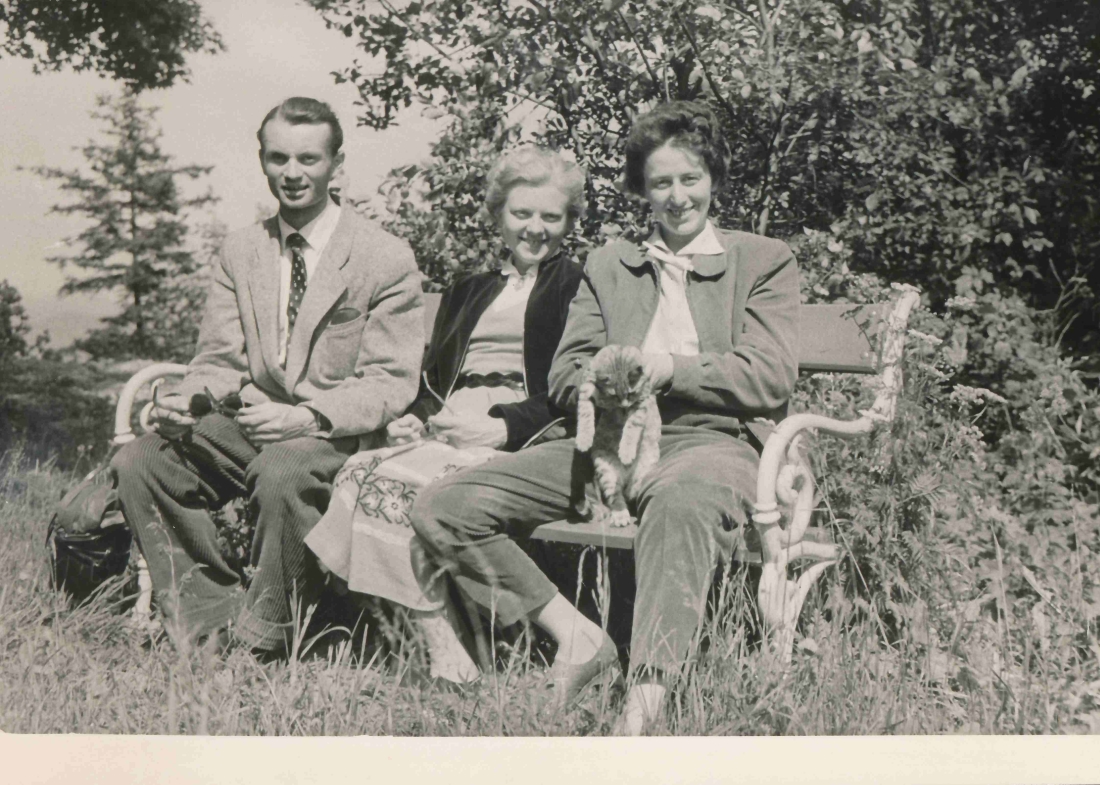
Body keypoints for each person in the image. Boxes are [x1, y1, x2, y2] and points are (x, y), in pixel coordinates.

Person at [408, 101, 800, 733]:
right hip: (603, 440)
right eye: (661, 182)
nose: (677, 197)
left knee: (680, 506)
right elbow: (567, 372)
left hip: (709, 442)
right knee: (445, 507)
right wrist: (611, 382)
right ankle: (581, 639)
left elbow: (769, 375)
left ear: (715, 179)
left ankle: (642, 709)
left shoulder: (761, 259)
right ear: (643, 190)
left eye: (690, 179)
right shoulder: (611, 264)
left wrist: (668, 368)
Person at [111, 97, 424, 656]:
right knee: (142, 459)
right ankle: (208, 618)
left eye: (308, 158)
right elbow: (217, 361)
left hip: (335, 435)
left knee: (282, 470)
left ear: (337, 164)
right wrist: (185, 401)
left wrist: (305, 415)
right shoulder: (241, 250)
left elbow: (390, 383)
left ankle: (269, 641)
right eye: (279, 158)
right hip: (248, 426)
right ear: (262, 161)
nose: (293, 174)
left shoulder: (383, 256)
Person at [304, 146, 587, 685]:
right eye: (521, 214)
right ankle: (444, 637)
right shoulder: (469, 289)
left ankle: (448, 654)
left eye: (551, 217)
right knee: (360, 473)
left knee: (399, 487)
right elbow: (434, 377)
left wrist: (504, 424)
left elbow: (574, 388)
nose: (534, 229)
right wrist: (414, 416)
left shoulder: (578, 288)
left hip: (523, 438)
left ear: (569, 222)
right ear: (499, 215)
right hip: (450, 430)